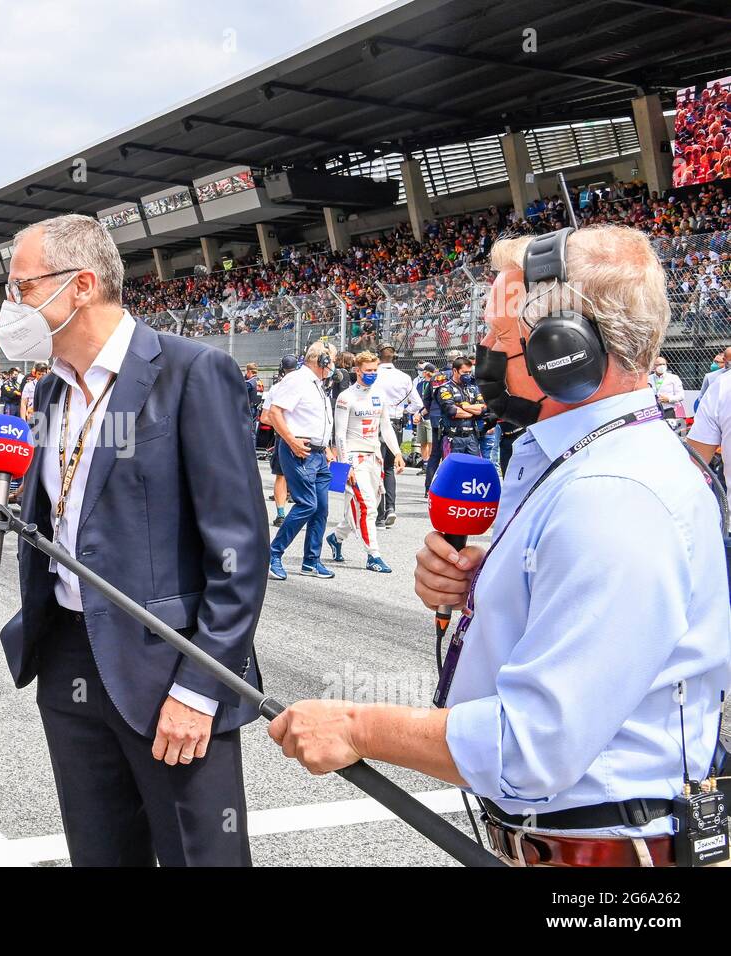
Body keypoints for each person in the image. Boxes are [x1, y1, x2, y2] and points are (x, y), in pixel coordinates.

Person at [269, 224, 731, 867]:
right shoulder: (584, 461)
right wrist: (500, 578)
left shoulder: (613, 495)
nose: (481, 345)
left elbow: (532, 745)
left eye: (496, 330)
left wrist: (355, 727)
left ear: (564, 350)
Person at [0, 214, 267, 866]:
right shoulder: (48, 392)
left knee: (203, 860)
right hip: (68, 659)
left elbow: (238, 551)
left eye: (21, 289)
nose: (11, 309)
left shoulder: (191, 373)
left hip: (169, 669)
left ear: (81, 285)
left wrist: (201, 687)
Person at [326, 351, 404, 573]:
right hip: (353, 458)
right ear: (357, 371)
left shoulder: (380, 394)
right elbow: (339, 435)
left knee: (364, 506)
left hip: (374, 457)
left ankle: (336, 537)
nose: (371, 374)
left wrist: (397, 453)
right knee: (368, 507)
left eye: (374, 370)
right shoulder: (346, 397)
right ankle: (374, 555)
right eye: (367, 371)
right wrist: (345, 464)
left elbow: (385, 426)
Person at [266, 341, 337, 581]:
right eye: (332, 360)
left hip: (318, 453)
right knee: (307, 504)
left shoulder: (316, 384)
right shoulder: (297, 380)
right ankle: (272, 554)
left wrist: (326, 447)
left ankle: (311, 561)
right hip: (300, 450)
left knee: (321, 508)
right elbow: (274, 413)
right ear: (323, 361)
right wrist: (292, 441)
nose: (334, 365)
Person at [371, 345, 422, 528]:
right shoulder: (404, 377)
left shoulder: (373, 373)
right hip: (396, 422)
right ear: (396, 358)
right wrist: (402, 410)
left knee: (377, 468)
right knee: (390, 468)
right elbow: (417, 403)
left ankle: (379, 514)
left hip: (374, 423)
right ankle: (391, 508)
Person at [267, 354, 299, 527]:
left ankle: (281, 514)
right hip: (300, 436)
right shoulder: (306, 386)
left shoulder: (277, 388)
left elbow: (265, 417)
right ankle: (288, 513)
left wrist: (280, 423)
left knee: (281, 476)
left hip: (283, 436)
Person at [435, 356, 484, 457]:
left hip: (472, 437)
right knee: (454, 470)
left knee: (474, 469)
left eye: (469, 372)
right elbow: (452, 411)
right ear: (455, 371)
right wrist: (473, 413)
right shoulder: (445, 388)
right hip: (453, 437)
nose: (467, 375)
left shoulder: (473, 388)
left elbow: (483, 409)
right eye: (464, 372)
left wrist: (465, 407)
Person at [649, 355, 684, 420]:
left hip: (668, 411)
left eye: (664, 364)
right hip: (652, 412)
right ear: (653, 366)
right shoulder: (648, 378)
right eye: (659, 364)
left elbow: (681, 396)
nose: (662, 366)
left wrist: (668, 399)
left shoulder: (673, 378)